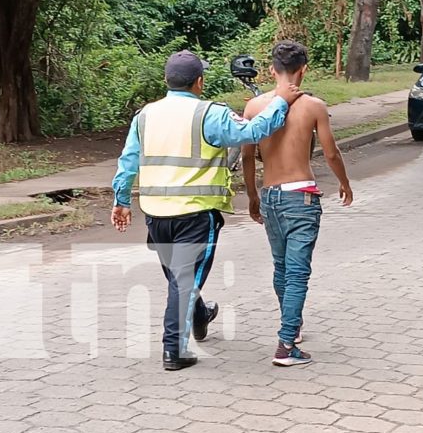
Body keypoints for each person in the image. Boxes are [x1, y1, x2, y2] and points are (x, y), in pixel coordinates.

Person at [111, 50, 303, 371]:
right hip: (196, 215)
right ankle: (174, 351)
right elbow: (253, 133)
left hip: (156, 215)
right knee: (184, 281)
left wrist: (121, 201)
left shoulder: (145, 115)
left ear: (166, 81)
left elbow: (128, 161)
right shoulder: (210, 114)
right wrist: (281, 100)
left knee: (178, 277)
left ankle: (200, 315)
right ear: (199, 82)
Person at [242, 41, 353, 366]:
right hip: (301, 196)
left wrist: (252, 195)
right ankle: (287, 343)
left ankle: (292, 325)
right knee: (298, 272)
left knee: (282, 267)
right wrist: (344, 183)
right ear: (303, 69)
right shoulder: (314, 106)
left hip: (271, 195)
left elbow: (248, 157)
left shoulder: (253, 107)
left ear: (272, 70)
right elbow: (331, 153)